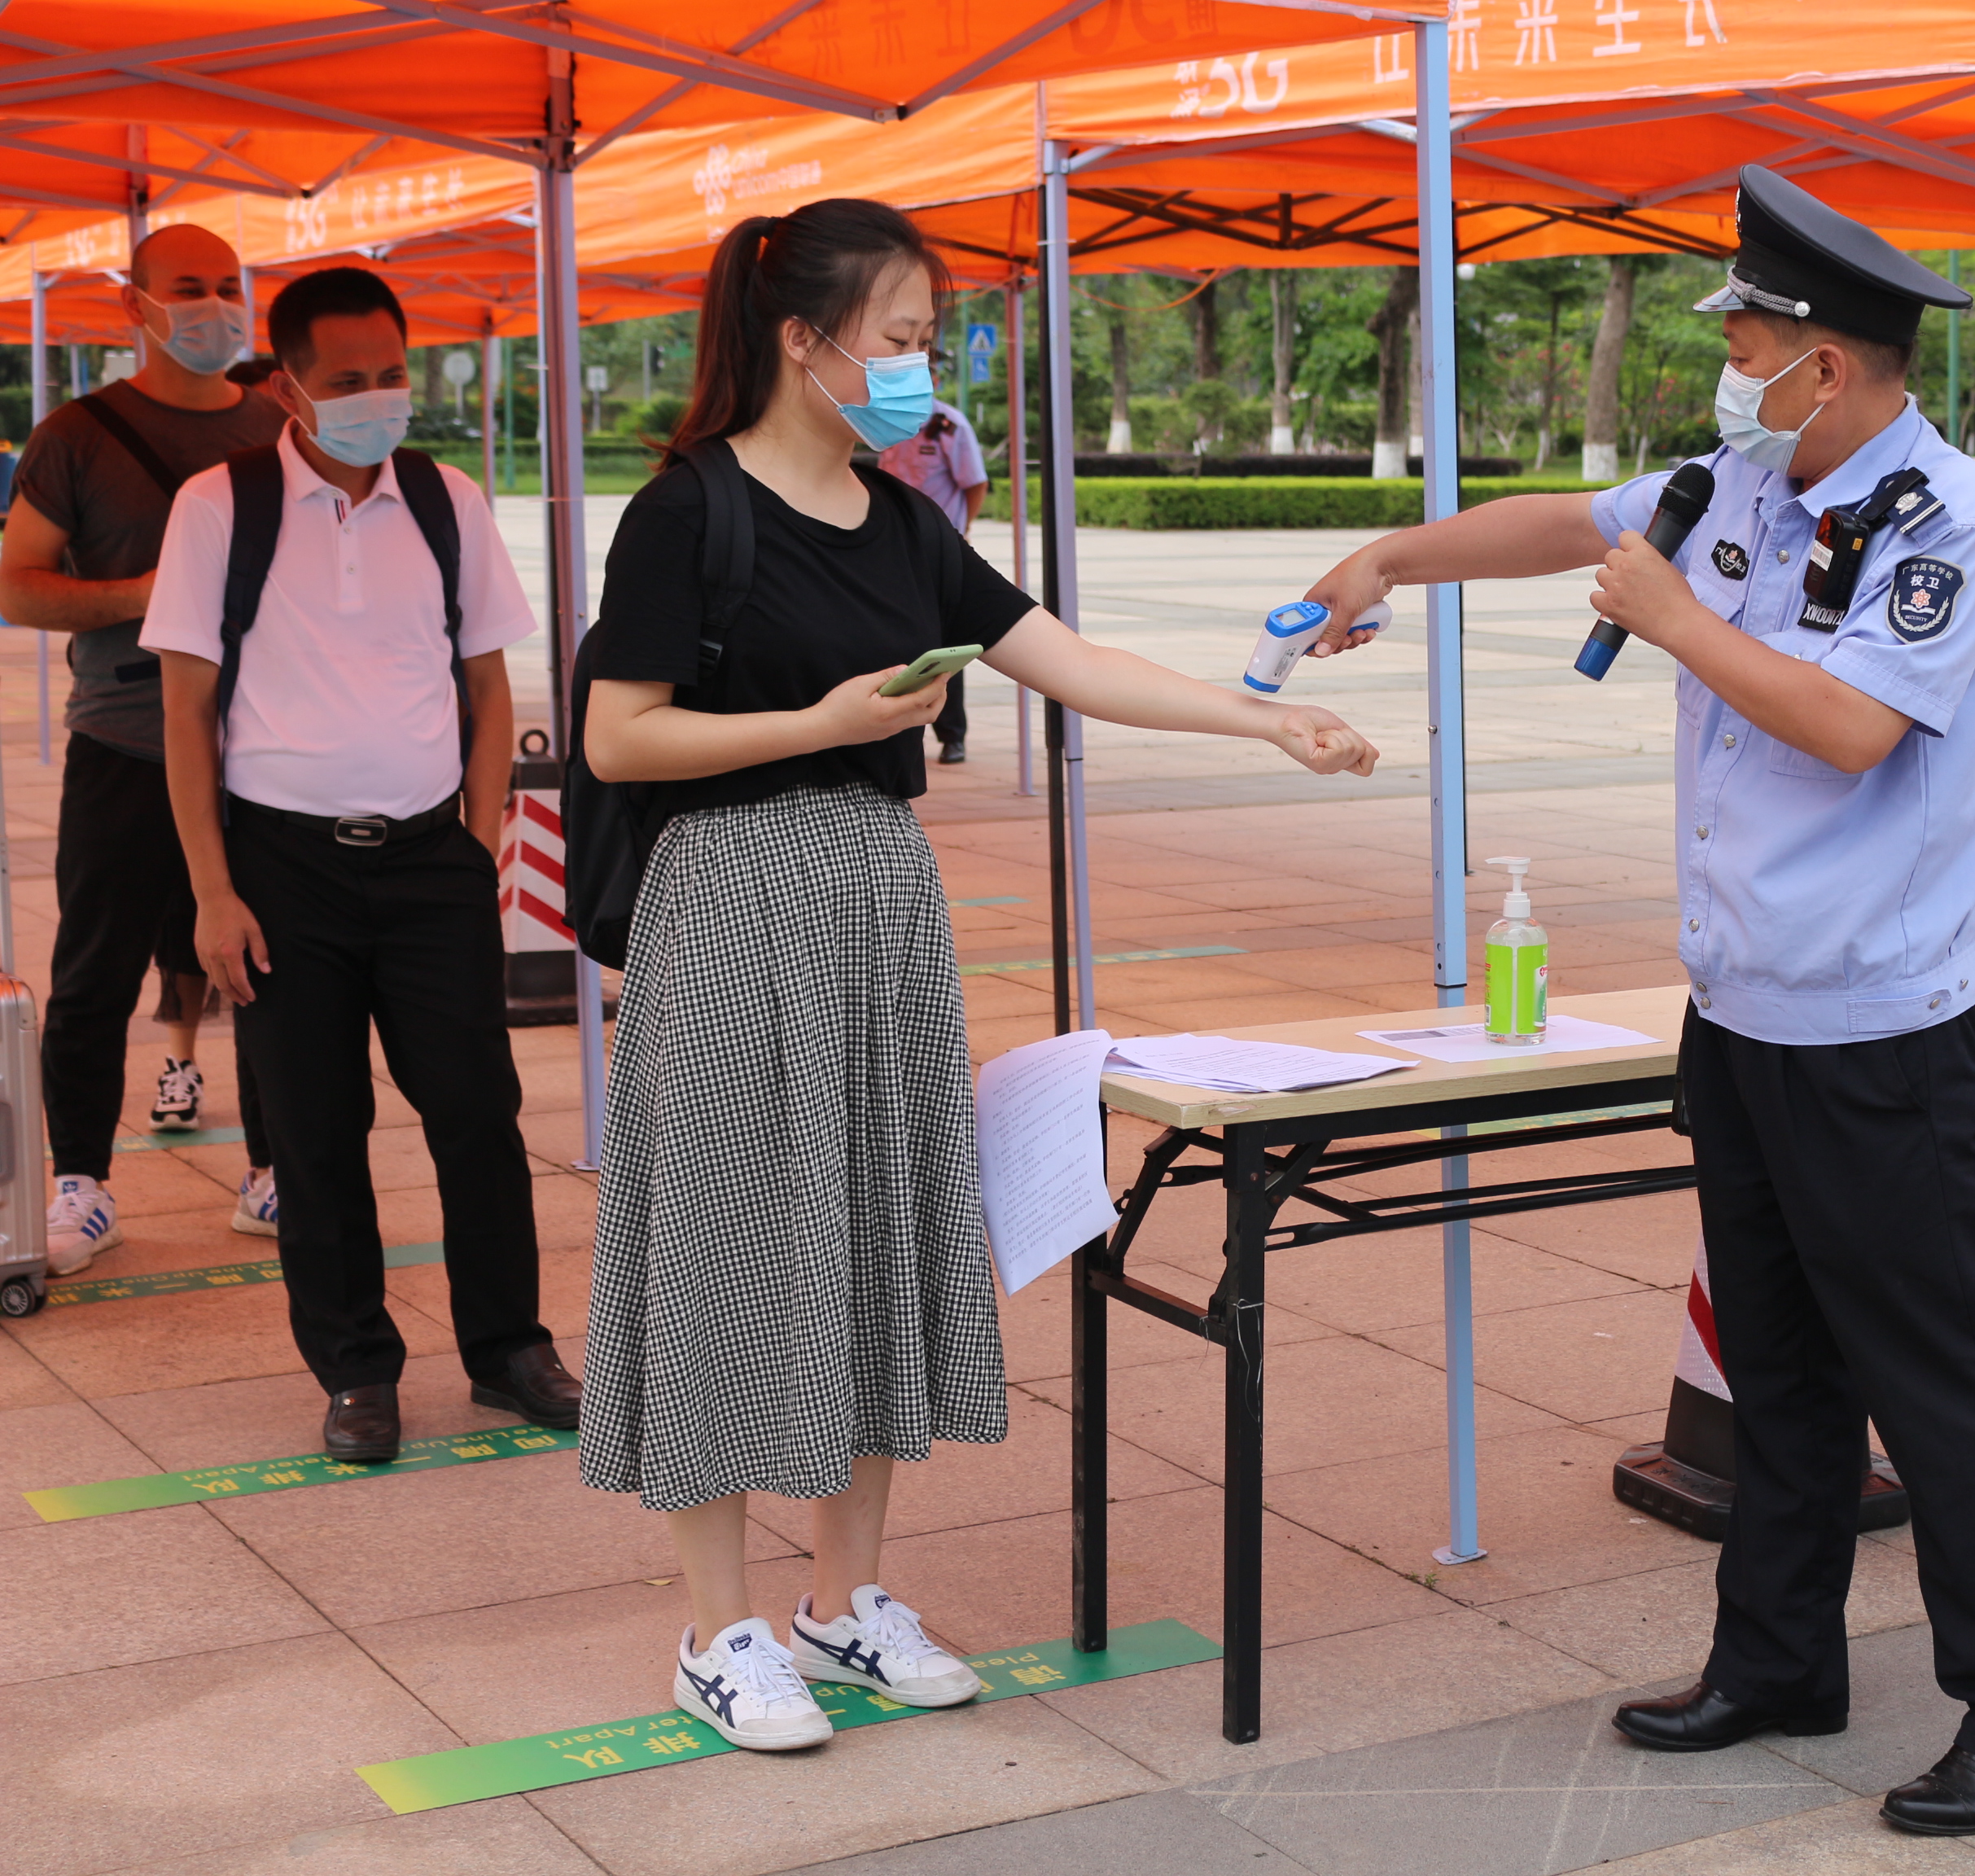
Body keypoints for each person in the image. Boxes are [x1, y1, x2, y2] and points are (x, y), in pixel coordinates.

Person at [1303, 165, 1975, 1838]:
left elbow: (1855, 728)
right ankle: (1777, 1659)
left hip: (1879, 1025)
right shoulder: (1736, 479)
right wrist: (1385, 557)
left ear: (1832, 363)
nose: (1728, 365)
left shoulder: (1945, 516)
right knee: (1775, 1371)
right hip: (1741, 1012)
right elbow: (1561, 521)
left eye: (1749, 342)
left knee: (1944, 1380)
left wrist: (1670, 621)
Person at [575, 199, 1377, 1755]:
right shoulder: (687, 511)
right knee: (724, 1243)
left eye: (924, 338)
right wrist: (818, 723)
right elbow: (619, 736)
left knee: (875, 1227)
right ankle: (717, 1627)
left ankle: (844, 1598)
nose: (916, 367)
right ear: (802, 338)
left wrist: (1262, 715)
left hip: (879, 902)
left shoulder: (899, 519)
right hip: (729, 900)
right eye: (898, 337)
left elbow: (1065, 658)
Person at [141, 265, 582, 1462]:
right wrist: (212, 891)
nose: (377, 398)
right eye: (347, 381)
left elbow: (489, 685)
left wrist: (478, 842)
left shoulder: (446, 500)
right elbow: (185, 712)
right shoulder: (220, 507)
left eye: (392, 374)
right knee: (315, 1129)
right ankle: (355, 1369)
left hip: (433, 860)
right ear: (287, 388)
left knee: (476, 1113)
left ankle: (509, 1349)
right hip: (279, 869)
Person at [0, 222, 283, 1273]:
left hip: (265, 749)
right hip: (124, 742)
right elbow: (18, 585)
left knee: (272, 966)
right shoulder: (76, 435)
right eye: (188, 288)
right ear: (137, 304)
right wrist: (150, 596)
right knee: (96, 970)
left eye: (227, 286)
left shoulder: (278, 425)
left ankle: (275, 1170)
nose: (213, 308)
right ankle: (80, 1181)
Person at [875, 401, 988, 764]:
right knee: (891, 640)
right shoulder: (882, 417)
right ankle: (893, 734)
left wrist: (960, 531)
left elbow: (976, 484)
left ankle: (952, 735)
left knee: (946, 644)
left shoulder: (948, 426)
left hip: (936, 552)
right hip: (889, 548)